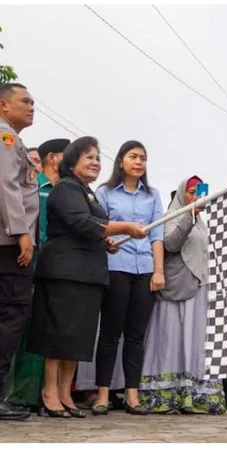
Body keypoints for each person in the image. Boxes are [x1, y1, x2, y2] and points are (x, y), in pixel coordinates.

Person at [26, 136, 148, 418]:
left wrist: (106, 241)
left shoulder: (86, 192)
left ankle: (66, 393)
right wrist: (124, 227)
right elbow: (81, 223)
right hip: (64, 271)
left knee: (77, 339)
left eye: (97, 157)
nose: (95, 162)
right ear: (71, 162)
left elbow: (92, 228)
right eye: (88, 157)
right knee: (58, 335)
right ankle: (50, 393)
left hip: (88, 272)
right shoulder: (66, 188)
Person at [139, 176, 226, 415]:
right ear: (181, 194)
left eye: (199, 191)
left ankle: (196, 396)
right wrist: (191, 214)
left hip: (198, 288)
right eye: (190, 192)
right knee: (170, 341)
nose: (195, 196)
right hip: (175, 289)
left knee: (195, 341)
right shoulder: (172, 215)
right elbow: (171, 244)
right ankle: (164, 397)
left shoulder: (202, 223)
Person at [92, 140, 165, 415]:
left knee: (136, 335)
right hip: (115, 266)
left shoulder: (153, 196)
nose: (139, 162)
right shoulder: (105, 192)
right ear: (120, 160)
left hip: (145, 269)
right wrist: (107, 240)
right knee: (110, 333)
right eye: (133, 156)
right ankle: (102, 395)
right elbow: (97, 227)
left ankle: (132, 395)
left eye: (143, 158)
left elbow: (158, 235)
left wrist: (158, 271)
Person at [3, 138, 69, 410]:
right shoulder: (33, 185)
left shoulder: (66, 190)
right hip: (26, 264)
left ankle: (39, 395)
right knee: (17, 330)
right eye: (69, 154)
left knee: (45, 333)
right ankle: (14, 395)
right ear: (53, 158)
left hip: (57, 271)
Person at [0, 83, 39, 421]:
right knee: (11, 315)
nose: (31, 107)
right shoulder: (5, 138)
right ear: (3, 105)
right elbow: (7, 185)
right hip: (9, 244)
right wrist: (21, 233)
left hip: (9, 240)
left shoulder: (15, 140)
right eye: (24, 101)